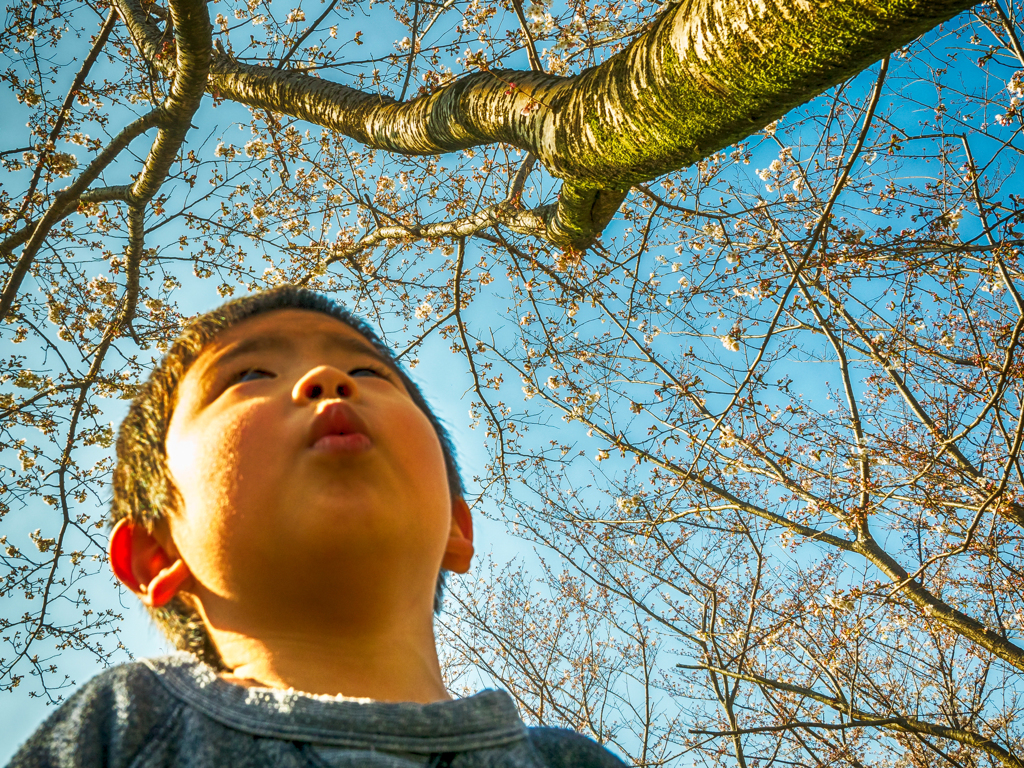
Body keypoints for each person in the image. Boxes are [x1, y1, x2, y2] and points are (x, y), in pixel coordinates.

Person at [7, 286, 624, 768]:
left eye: (373, 373)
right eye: (248, 375)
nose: (329, 380)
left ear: (457, 528)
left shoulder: (569, 760)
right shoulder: (124, 724)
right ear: (155, 551)